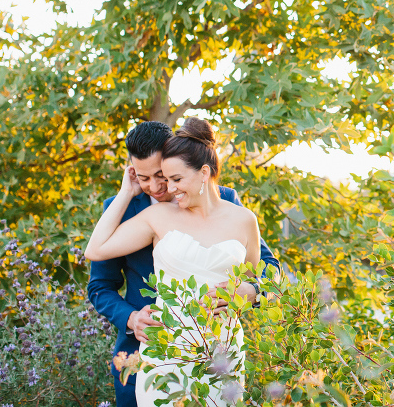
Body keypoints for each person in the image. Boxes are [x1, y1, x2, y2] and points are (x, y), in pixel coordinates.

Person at [86, 119, 280, 407]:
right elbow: (100, 285)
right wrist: (131, 318)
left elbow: (267, 270)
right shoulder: (121, 210)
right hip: (152, 349)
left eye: (162, 175)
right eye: (143, 177)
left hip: (220, 350)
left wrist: (250, 292)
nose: (154, 186)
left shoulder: (228, 203)